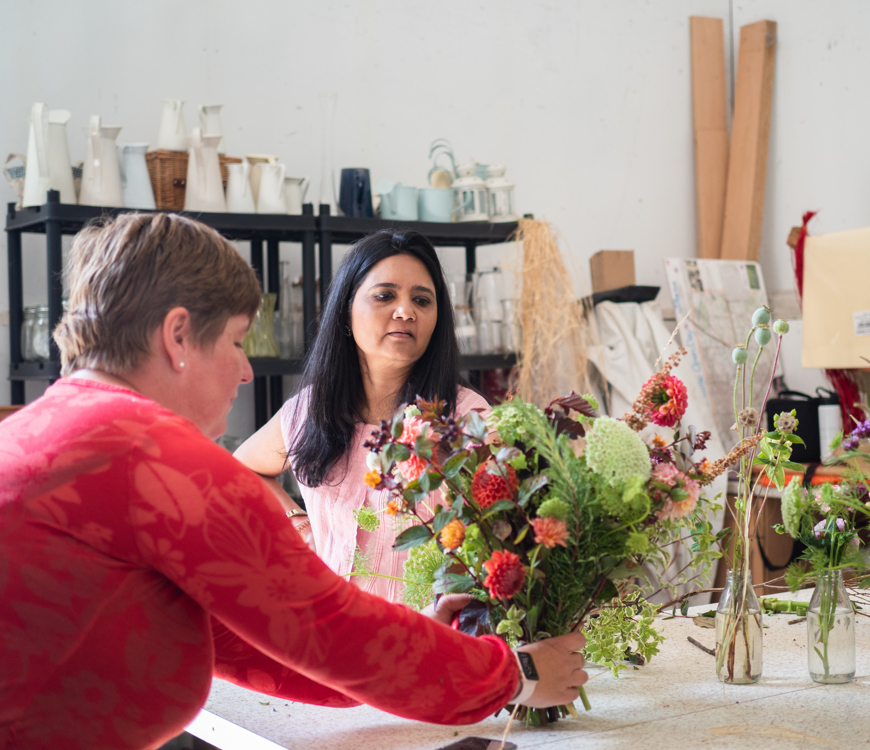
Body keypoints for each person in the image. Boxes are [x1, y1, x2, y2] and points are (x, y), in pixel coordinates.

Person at [0, 214, 587, 750]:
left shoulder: (37, 433)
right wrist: (518, 675)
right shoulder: (166, 463)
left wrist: (421, 662)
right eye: (234, 341)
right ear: (178, 336)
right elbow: (326, 633)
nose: (246, 369)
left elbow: (248, 639)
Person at [236, 230, 488, 602]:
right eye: (385, 296)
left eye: (422, 300)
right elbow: (241, 470)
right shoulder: (310, 410)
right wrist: (299, 525)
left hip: (435, 644)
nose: (406, 311)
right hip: (329, 640)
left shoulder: (466, 418)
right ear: (346, 308)